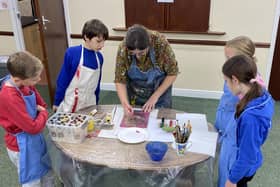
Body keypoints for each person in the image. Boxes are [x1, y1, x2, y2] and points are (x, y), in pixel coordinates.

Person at [215, 36, 265, 187]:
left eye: (230, 58)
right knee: (224, 171)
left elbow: (247, 154)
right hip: (228, 133)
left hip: (234, 143)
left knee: (230, 177)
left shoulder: (250, 114)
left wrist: (232, 181)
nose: (227, 62)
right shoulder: (243, 81)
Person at [0, 51, 54, 186]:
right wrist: (43, 114)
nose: (39, 81)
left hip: (35, 139)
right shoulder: (9, 96)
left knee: (47, 170)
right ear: (18, 79)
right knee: (33, 180)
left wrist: (40, 112)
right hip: (21, 145)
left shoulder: (25, 84)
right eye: (35, 79)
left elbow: (42, 104)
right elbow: (32, 127)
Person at [222, 55, 274, 187]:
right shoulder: (261, 93)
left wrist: (231, 180)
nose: (227, 86)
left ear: (235, 80)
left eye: (227, 81)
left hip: (243, 170)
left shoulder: (250, 118)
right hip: (251, 161)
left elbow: (247, 156)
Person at [114, 24, 179, 114]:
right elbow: (119, 79)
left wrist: (154, 97)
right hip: (135, 93)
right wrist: (125, 104)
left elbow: (173, 73)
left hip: (160, 93)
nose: (137, 56)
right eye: (132, 53)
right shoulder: (123, 48)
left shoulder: (160, 43)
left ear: (149, 44)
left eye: (141, 53)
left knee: (160, 122)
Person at [53, 19, 109, 112]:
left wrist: (97, 103)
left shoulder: (99, 58)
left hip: (90, 102)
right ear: (86, 37)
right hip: (72, 102)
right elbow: (63, 79)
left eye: (104, 41)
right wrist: (57, 101)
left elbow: (97, 84)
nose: (102, 45)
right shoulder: (72, 53)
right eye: (98, 41)